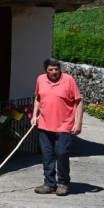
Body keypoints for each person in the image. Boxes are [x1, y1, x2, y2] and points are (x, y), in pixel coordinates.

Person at [31, 58, 83, 196]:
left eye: (56, 69)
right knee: (47, 155)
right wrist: (34, 115)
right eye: (50, 70)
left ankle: (63, 183)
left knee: (61, 153)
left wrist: (78, 123)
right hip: (44, 124)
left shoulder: (69, 80)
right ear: (45, 71)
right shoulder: (40, 79)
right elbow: (38, 97)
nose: (54, 72)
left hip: (64, 125)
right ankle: (49, 183)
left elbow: (78, 101)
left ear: (60, 69)